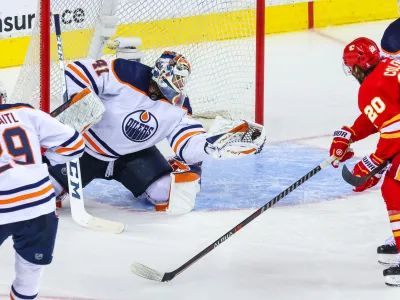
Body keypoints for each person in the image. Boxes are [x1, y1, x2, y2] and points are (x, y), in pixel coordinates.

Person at [49, 51, 266, 215]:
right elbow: (77, 70)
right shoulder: (126, 73)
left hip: (134, 157)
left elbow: (188, 144)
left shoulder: (180, 106)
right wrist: (81, 100)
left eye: (183, 80)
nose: (180, 85)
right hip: (85, 150)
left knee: (169, 194)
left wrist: (213, 145)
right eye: (177, 78)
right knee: (46, 192)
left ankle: (169, 168)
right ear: (163, 73)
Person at [0, 83, 85, 299]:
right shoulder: (26, 113)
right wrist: (45, 161)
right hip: (39, 203)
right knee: (30, 274)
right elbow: (75, 145)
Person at [329, 37, 400, 286]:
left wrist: (373, 163)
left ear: (359, 66)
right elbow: (380, 115)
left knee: (394, 187)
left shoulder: (372, 87)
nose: (351, 73)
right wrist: (349, 133)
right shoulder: (388, 67)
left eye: (351, 68)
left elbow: (394, 131)